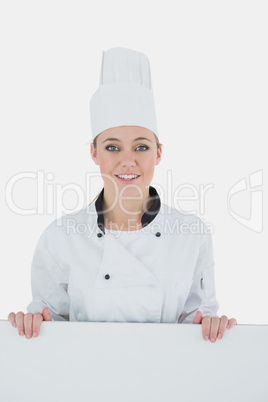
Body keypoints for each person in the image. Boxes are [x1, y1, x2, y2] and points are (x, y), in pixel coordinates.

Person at [8, 47, 237, 342]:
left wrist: (212, 327)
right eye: (112, 147)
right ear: (94, 152)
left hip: (169, 382)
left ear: (159, 153)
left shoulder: (192, 235)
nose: (127, 161)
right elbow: (48, 329)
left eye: (141, 147)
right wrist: (30, 322)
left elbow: (197, 324)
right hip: (83, 382)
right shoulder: (59, 239)